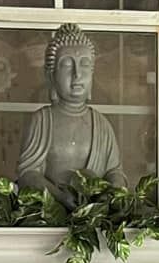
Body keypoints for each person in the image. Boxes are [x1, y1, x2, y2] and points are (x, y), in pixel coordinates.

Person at [15, 24, 126, 208]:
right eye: (67, 65)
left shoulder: (101, 124)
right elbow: (28, 174)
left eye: (84, 64)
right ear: (51, 75)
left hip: (95, 218)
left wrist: (110, 193)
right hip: (50, 216)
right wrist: (59, 196)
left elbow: (115, 172)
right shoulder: (42, 121)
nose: (77, 74)